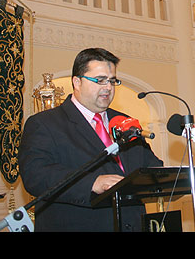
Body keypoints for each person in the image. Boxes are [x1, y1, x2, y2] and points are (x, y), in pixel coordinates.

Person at [18, 47, 163, 232]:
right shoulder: (45, 124)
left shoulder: (125, 121)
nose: (108, 87)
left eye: (112, 81)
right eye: (100, 80)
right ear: (77, 82)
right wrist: (92, 183)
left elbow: (150, 166)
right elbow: (36, 175)